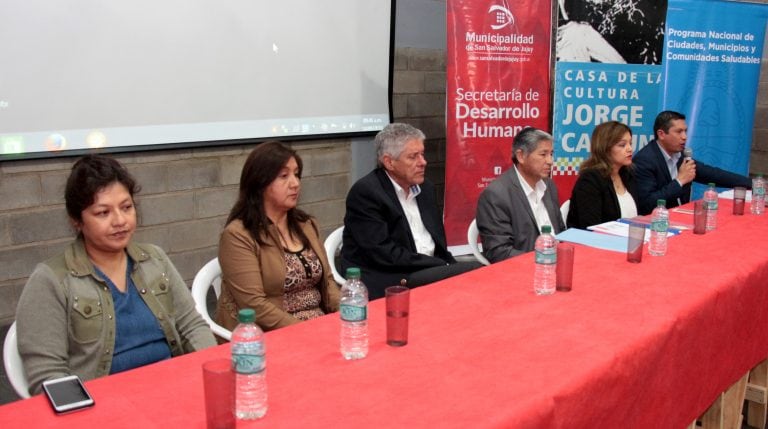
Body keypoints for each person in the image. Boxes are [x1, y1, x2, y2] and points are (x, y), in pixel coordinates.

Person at [15, 155, 216, 395]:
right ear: (77, 221)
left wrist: (210, 375)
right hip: (103, 404)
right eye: (103, 213)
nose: (120, 221)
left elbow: (192, 326)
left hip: (173, 389)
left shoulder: (154, 259)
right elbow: (48, 374)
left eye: (126, 207)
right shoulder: (52, 280)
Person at [341, 123, 480, 300]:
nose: (423, 162)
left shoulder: (426, 189)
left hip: (427, 267)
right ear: (389, 162)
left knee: (476, 276)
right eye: (413, 157)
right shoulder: (366, 193)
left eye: (422, 154)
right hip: (392, 275)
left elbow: (438, 243)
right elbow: (384, 254)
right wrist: (440, 264)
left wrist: (446, 263)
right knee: (474, 270)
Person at [216, 142, 339, 333]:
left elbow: (328, 282)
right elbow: (255, 306)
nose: (295, 183)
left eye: (296, 174)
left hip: (319, 325)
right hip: (272, 335)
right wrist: (308, 331)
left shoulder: (305, 225)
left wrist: (347, 312)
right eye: (284, 176)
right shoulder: (238, 235)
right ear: (260, 183)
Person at [633, 111, 752, 215]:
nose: (684, 137)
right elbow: (646, 204)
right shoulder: (645, 160)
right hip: (656, 223)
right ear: (661, 134)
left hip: (680, 216)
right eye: (679, 132)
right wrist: (680, 181)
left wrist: (753, 184)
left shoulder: (681, 155)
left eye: (685, 131)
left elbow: (712, 174)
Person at [476, 127, 566, 263]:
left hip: (557, 262)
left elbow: (560, 232)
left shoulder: (549, 186)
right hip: (526, 269)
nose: (550, 161)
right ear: (521, 156)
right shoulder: (496, 195)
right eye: (543, 154)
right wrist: (544, 259)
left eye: (551, 154)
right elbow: (499, 252)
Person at [567, 121, 638, 229]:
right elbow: (590, 227)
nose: (630, 149)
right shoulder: (590, 180)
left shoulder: (627, 174)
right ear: (605, 148)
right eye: (622, 145)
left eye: (630, 143)